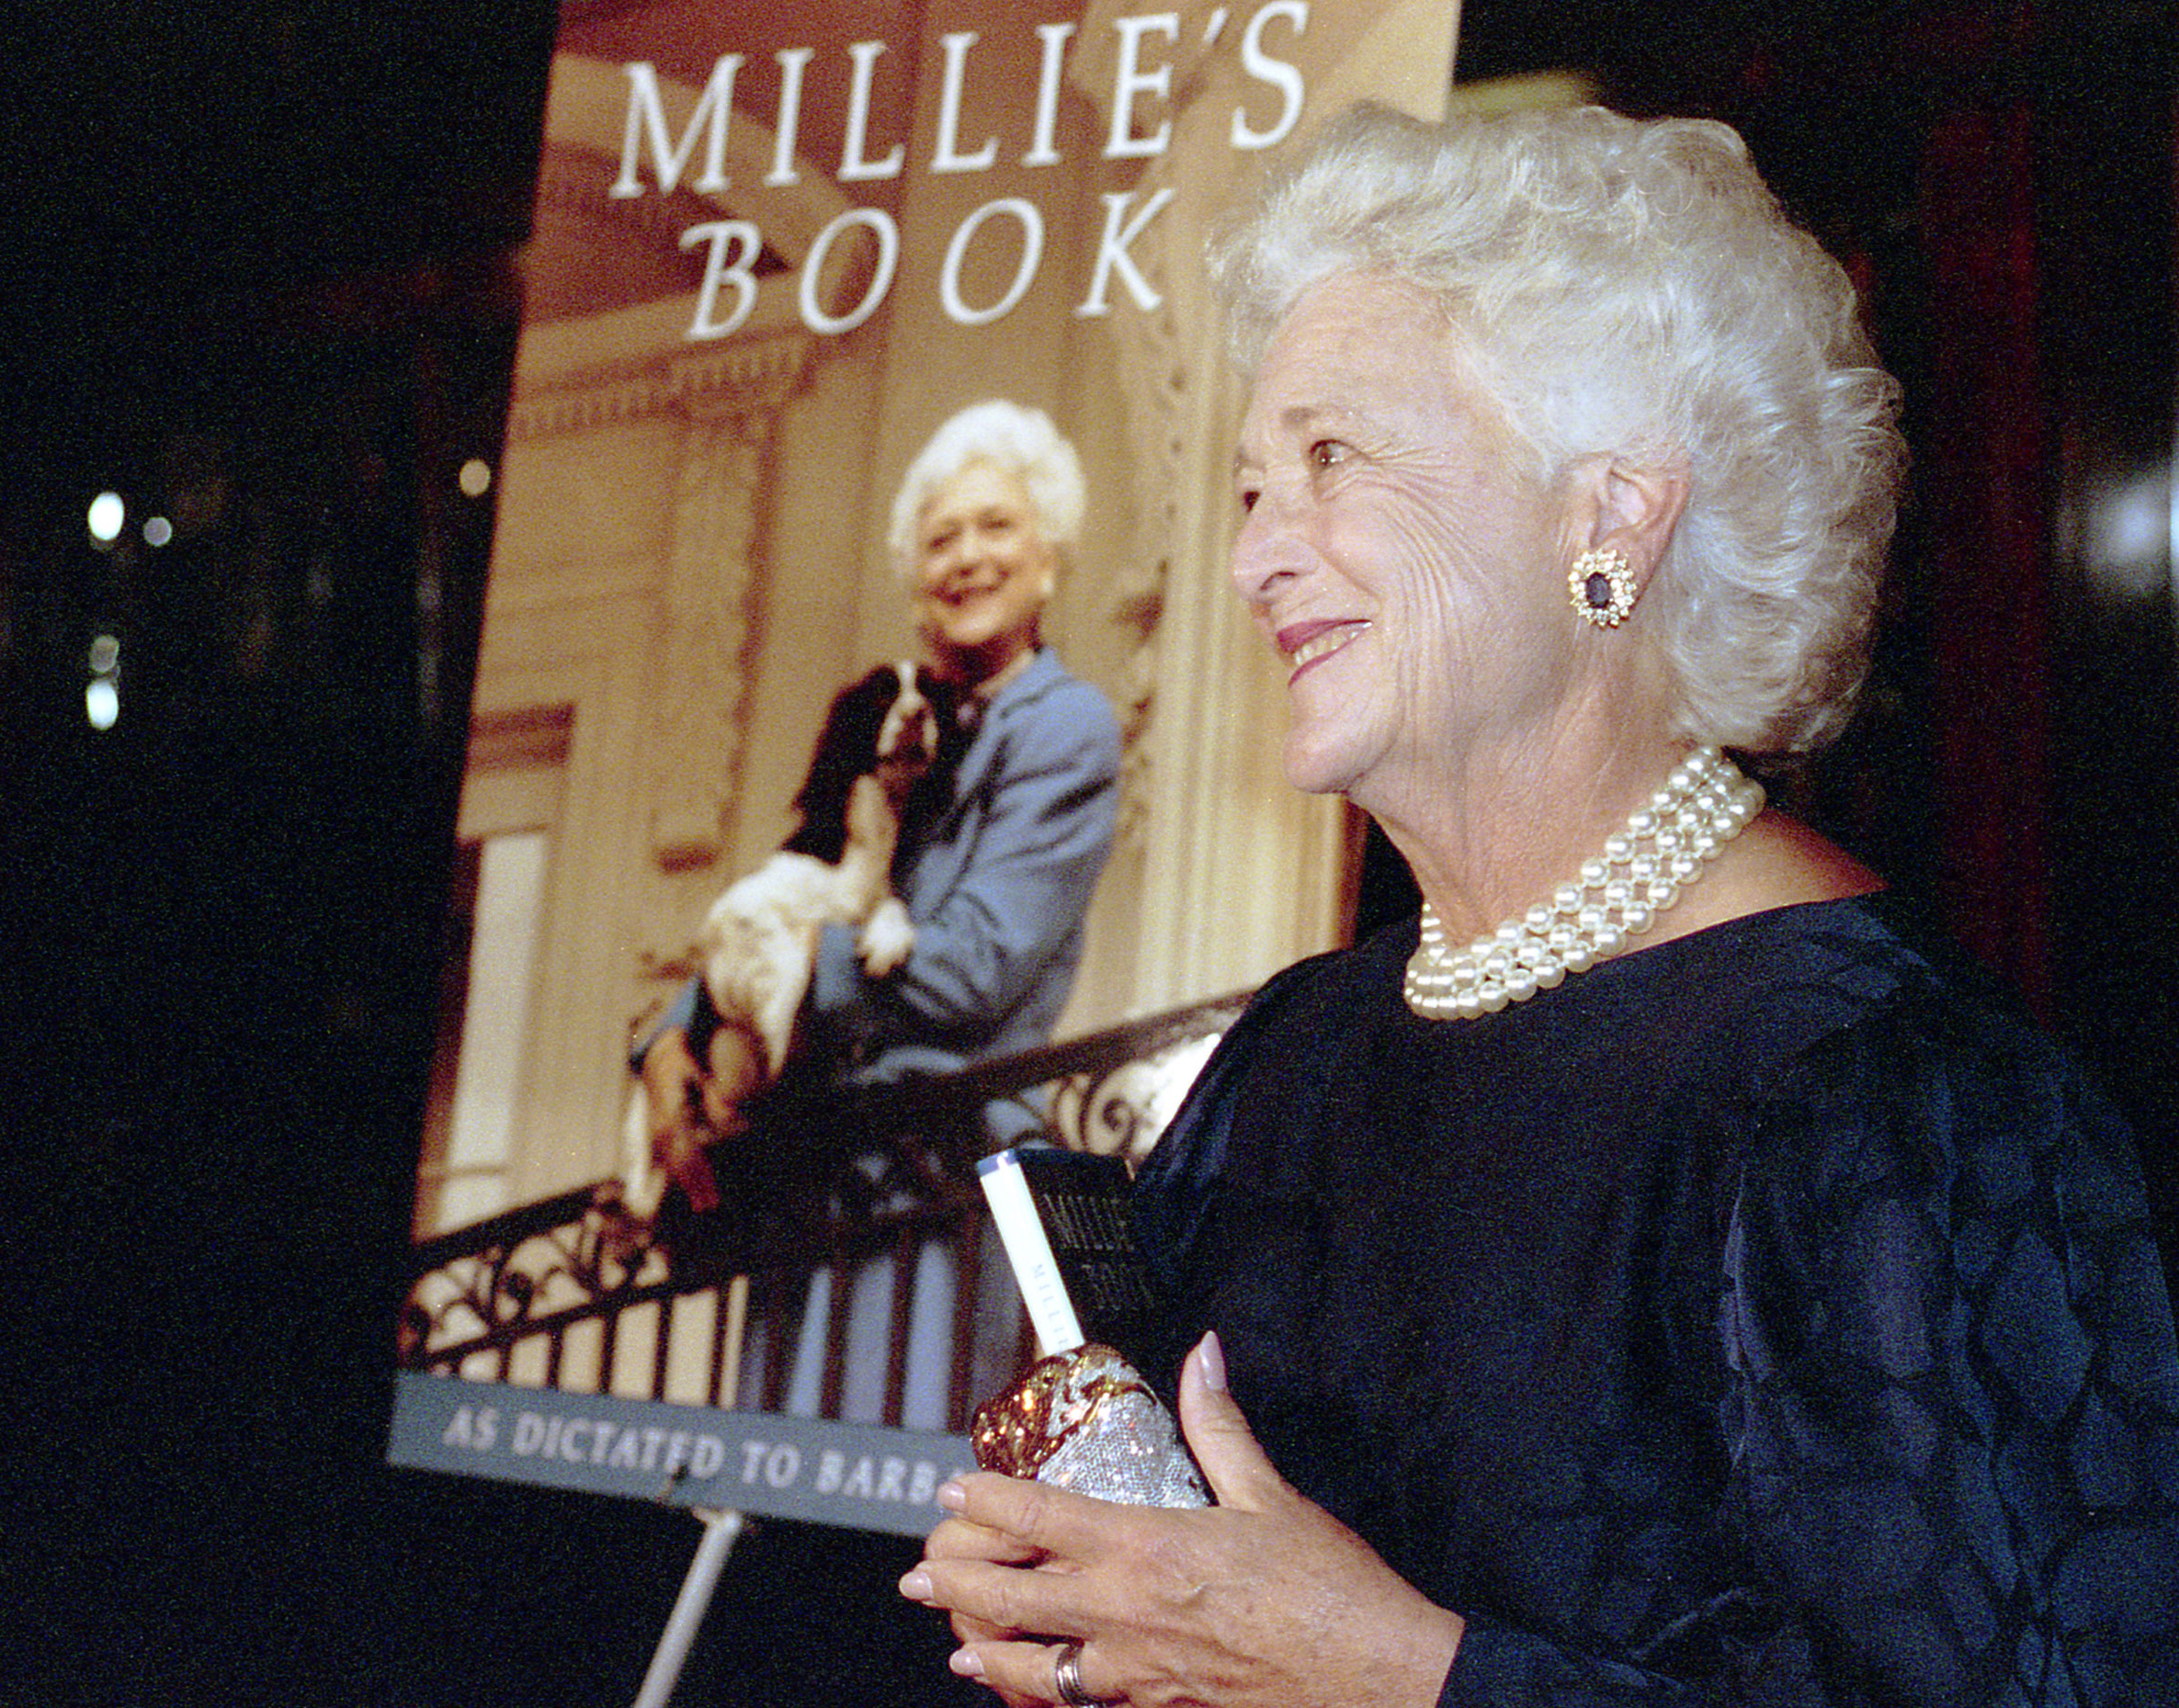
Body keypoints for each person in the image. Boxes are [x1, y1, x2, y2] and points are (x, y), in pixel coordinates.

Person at [900, 104, 2179, 1704]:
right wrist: (1085, 1612)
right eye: (1246, 490)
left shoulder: (1880, 1089)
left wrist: (1396, 1669)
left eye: (1330, 459)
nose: (1253, 559)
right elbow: (1182, 1594)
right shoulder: (1293, 1058)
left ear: (1609, 518)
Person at [640, 398, 1123, 1427]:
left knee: (876, 1488)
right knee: (769, 1486)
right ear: (915, 584)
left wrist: (786, 986)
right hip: (812, 1171)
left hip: (928, 1182)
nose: (968, 556)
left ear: (1050, 560)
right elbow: (804, 884)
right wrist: (671, 1036)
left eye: (998, 526)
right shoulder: (897, 731)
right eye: (942, 537)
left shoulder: (1064, 726)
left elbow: (977, 967)